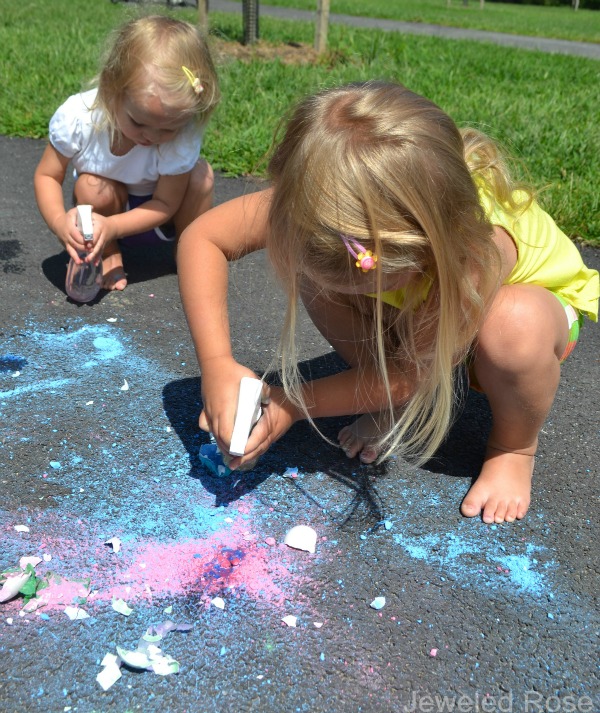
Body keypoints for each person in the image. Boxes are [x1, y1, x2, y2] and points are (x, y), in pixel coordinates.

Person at [177, 81, 599, 524]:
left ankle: (514, 448)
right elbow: (202, 238)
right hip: (422, 308)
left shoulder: (476, 252)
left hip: (530, 315)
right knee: (318, 274)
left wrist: (291, 404)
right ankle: (381, 395)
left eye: (358, 280)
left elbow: (410, 376)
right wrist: (216, 362)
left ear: (413, 252)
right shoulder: (321, 199)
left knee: (514, 325)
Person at [34, 14, 220, 295]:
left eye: (167, 129)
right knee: (91, 187)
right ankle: (109, 253)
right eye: (138, 122)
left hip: (159, 218)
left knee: (201, 177)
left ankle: (189, 251)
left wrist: (113, 226)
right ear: (111, 91)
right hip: (107, 213)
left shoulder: (180, 135)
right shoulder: (78, 117)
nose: (152, 136)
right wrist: (60, 222)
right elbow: (47, 175)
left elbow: (166, 204)